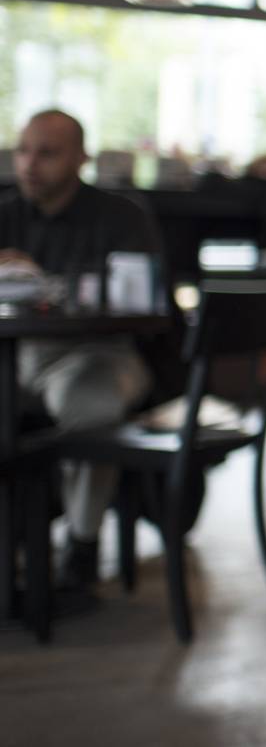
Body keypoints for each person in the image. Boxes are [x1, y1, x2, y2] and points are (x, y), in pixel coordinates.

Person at [0, 110, 159, 586]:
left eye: (47, 153)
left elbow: (145, 302)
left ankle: (82, 545)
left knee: (90, 403)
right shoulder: (4, 215)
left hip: (98, 352)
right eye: (24, 150)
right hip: (15, 354)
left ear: (81, 157)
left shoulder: (122, 217)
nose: (30, 164)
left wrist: (43, 283)